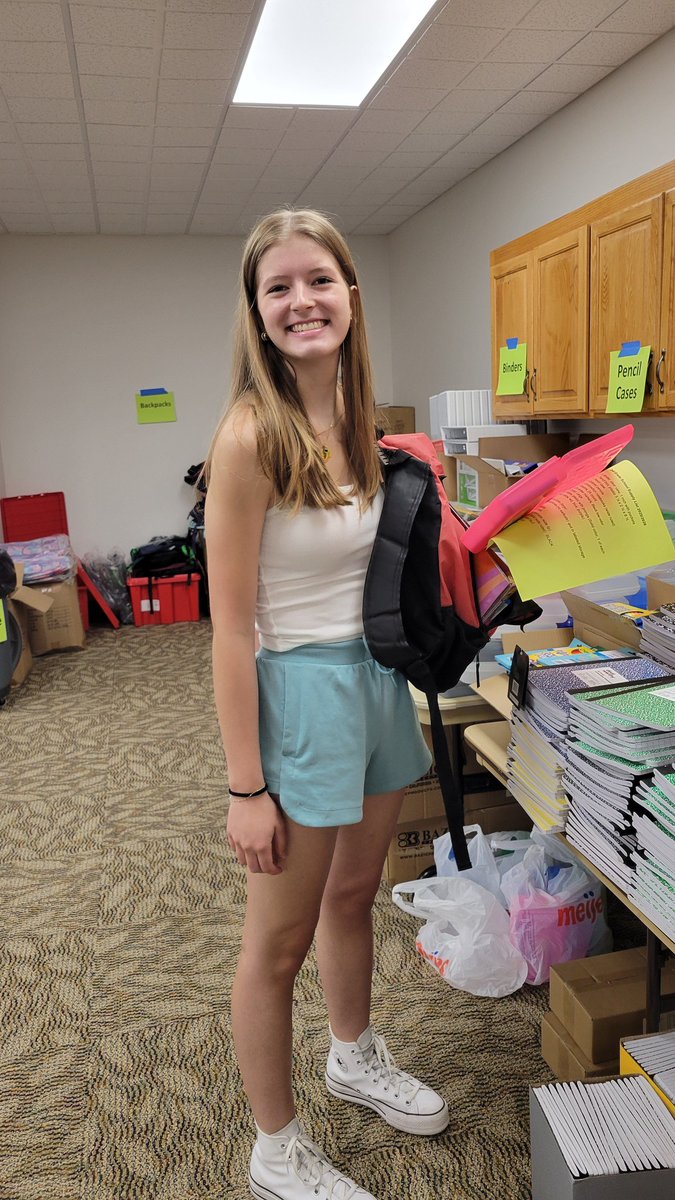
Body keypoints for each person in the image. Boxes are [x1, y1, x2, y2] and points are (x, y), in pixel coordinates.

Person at [204, 208, 448, 1200]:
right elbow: (226, 631)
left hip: (379, 678)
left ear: (351, 293)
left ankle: (355, 1054)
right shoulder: (248, 436)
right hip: (300, 692)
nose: (302, 300)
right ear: (258, 314)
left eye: (319, 280)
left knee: (356, 894)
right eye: (279, 287)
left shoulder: (363, 418)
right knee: (278, 941)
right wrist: (244, 787)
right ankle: (276, 1145)